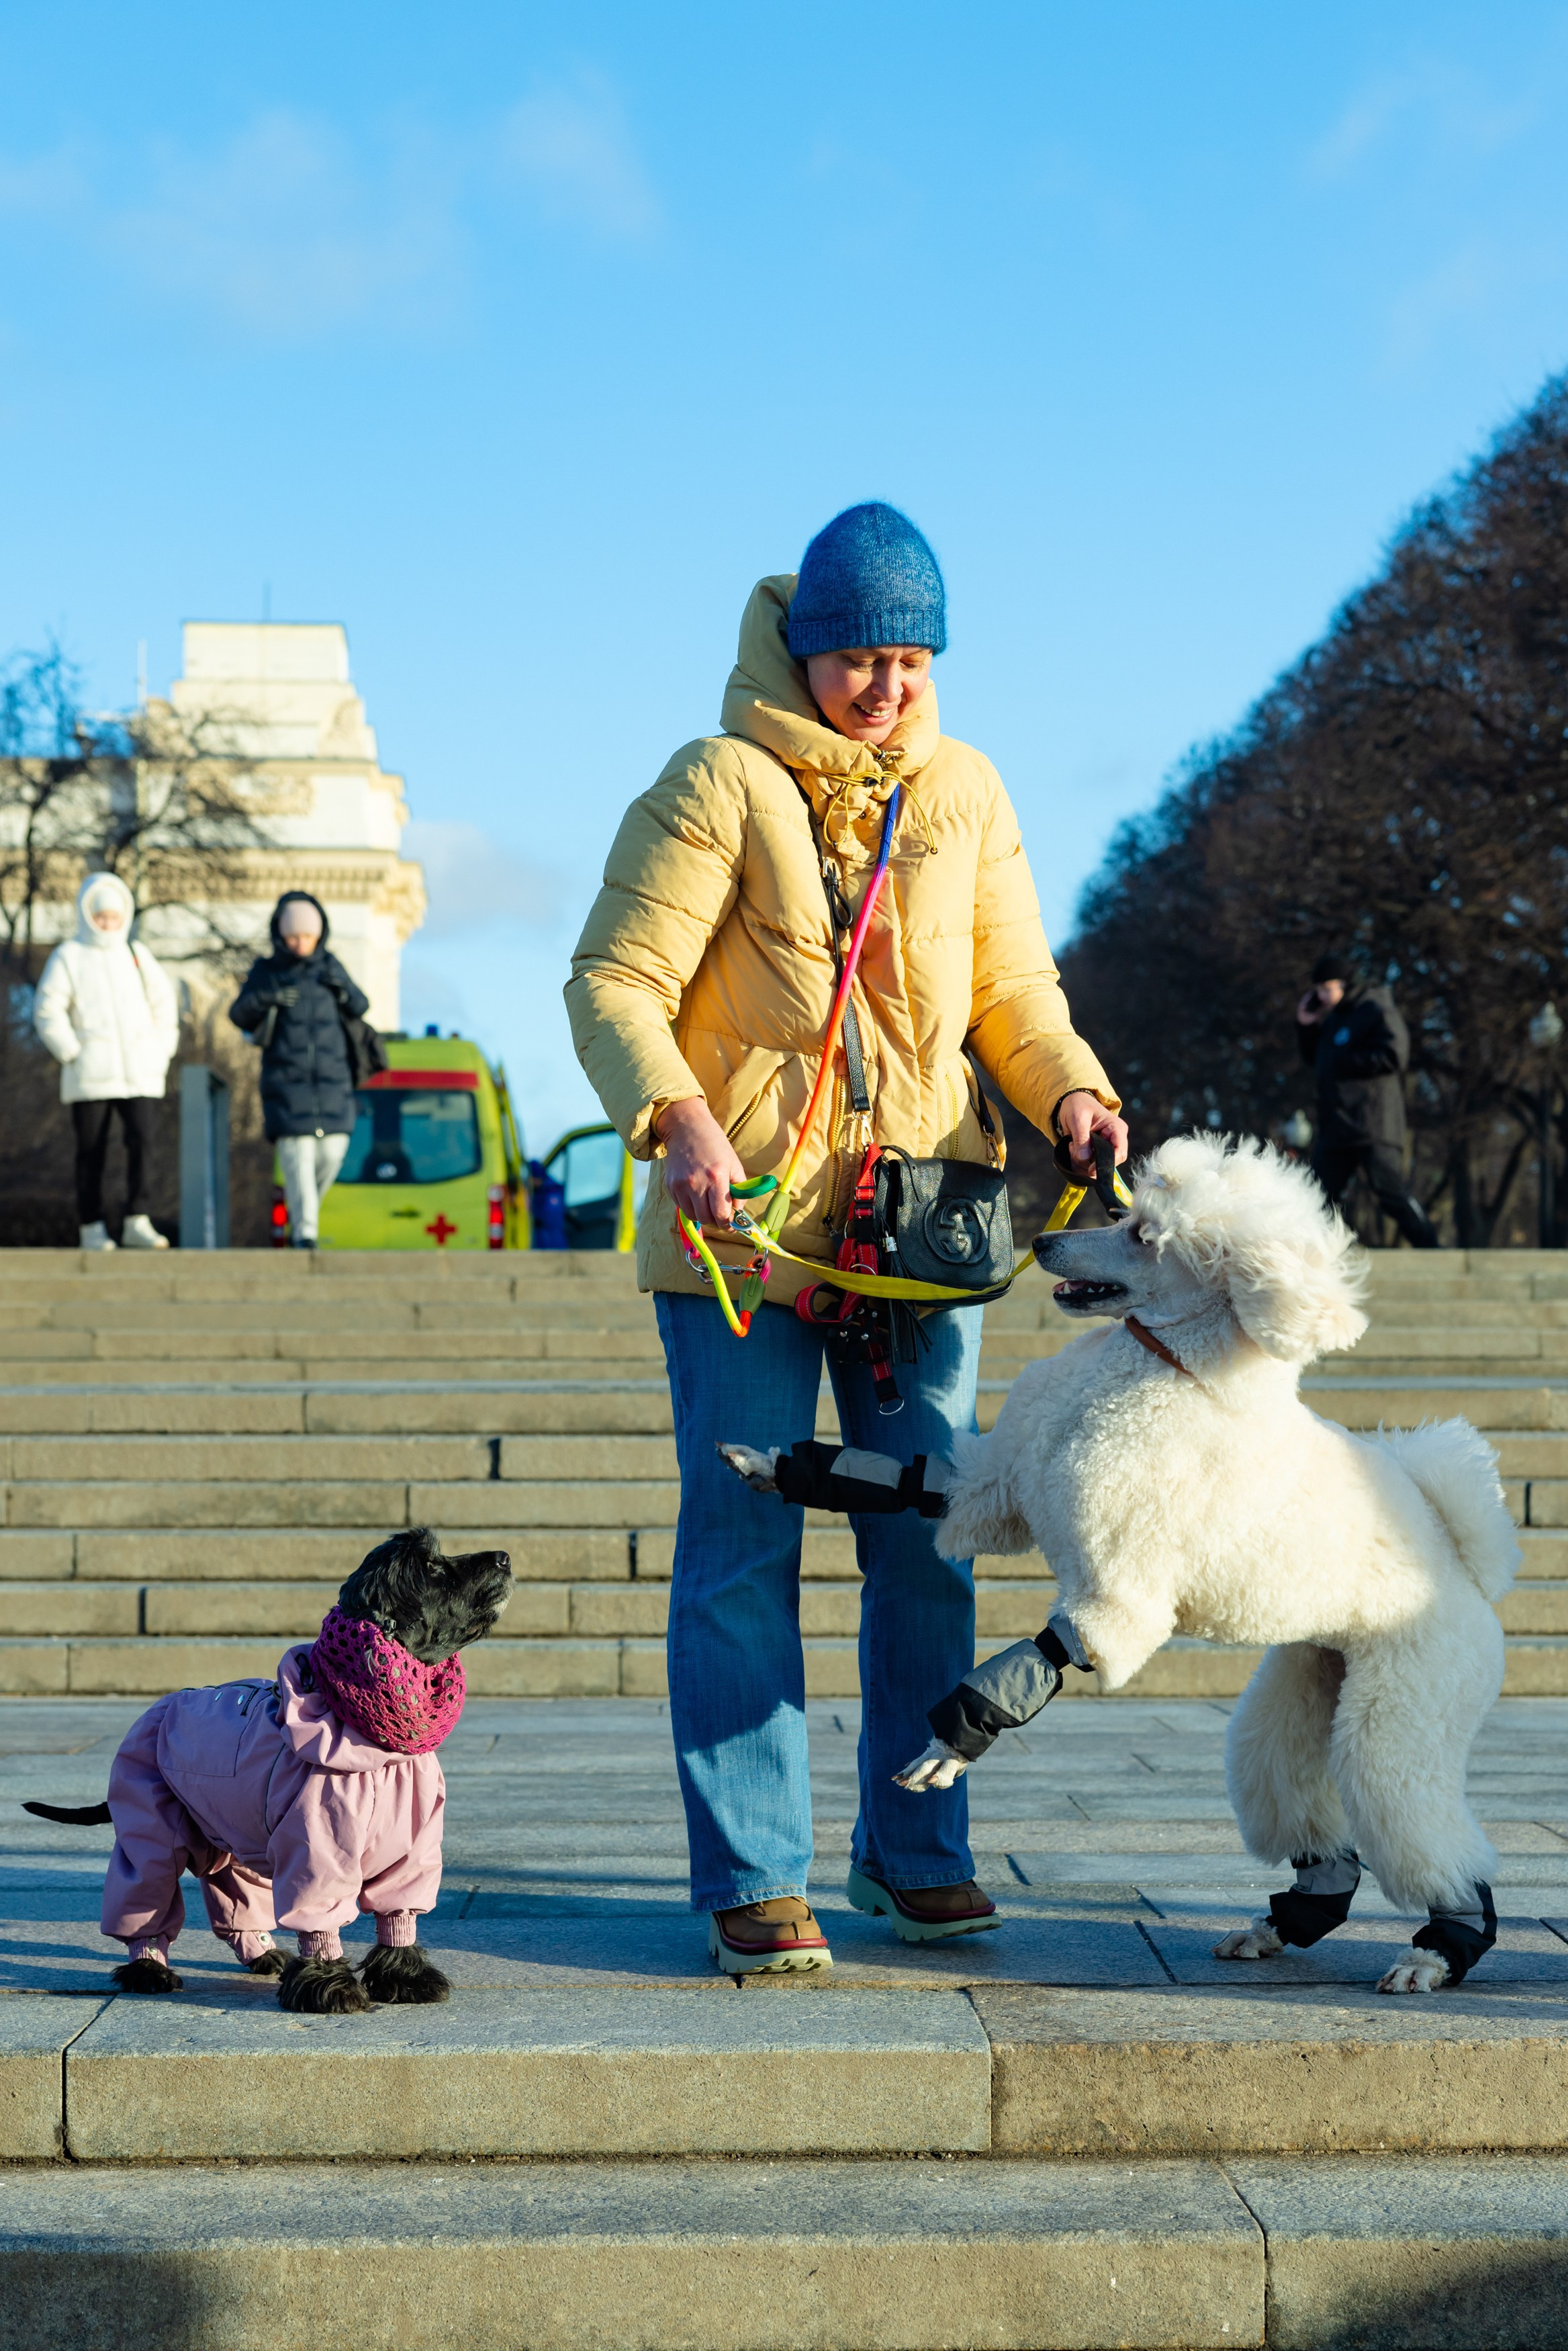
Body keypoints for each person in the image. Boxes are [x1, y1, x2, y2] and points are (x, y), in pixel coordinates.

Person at [566, 502, 1126, 1973]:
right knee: (743, 1544)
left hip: (916, 1236)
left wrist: (1070, 1093)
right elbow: (612, 980)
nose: (886, 684)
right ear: (802, 647)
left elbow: (1015, 988)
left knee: (932, 1548)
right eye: (858, 655)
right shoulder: (718, 782)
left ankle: (914, 1846)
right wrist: (675, 1118)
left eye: (910, 654)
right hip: (741, 1233)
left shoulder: (969, 790)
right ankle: (757, 1874)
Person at [34, 871, 179, 1250]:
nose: (107, 924)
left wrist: (160, 1051)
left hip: (140, 1073)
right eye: (101, 916)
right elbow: (48, 1009)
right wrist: (72, 1052)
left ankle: (138, 1219)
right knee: (91, 1151)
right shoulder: (69, 956)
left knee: (143, 1143)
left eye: (114, 917)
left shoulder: (136, 954)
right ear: (87, 914)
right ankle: (92, 1226)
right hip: (90, 1075)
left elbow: (164, 1005)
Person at [230, 893, 368, 1249]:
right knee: (299, 1158)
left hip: (332, 1082)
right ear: (281, 935)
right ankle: (305, 1232)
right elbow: (239, 1013)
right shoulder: (268, 971)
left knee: (333, 1153)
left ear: (319, 935)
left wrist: (341, 989)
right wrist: (269, 997)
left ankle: (304, 1215)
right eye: (293, 937)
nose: (300, 944)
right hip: (287, 1083)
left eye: (307, 937)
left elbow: (361, 1005)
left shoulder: (331, 966)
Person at [1296, 952, 1438, 1247]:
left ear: (1346, 984)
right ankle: (1333, 1255)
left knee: (1391, 1193)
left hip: (1372, 1124)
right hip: (1337, 1127)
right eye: (1318, 990)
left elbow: (1394, 1054)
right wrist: (1307, 1025)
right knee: (1315, 1196)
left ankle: (1432, 1248)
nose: (1321, 996)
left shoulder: (1375, 1008)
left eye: (1327, 988)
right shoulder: (1334, 1020)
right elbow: (1316, 1059)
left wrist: (1344, 1061)